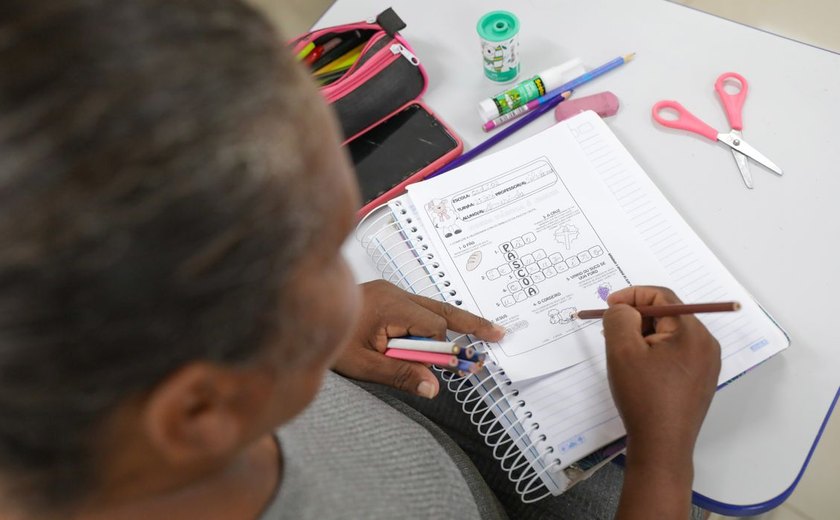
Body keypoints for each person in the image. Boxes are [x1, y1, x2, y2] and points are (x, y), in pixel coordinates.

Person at [0, 1, 721, 519]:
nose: (354, 275)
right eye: (323, 258)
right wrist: (663, 459)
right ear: (200, 407)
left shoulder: (107, 399)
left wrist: (322, 344)